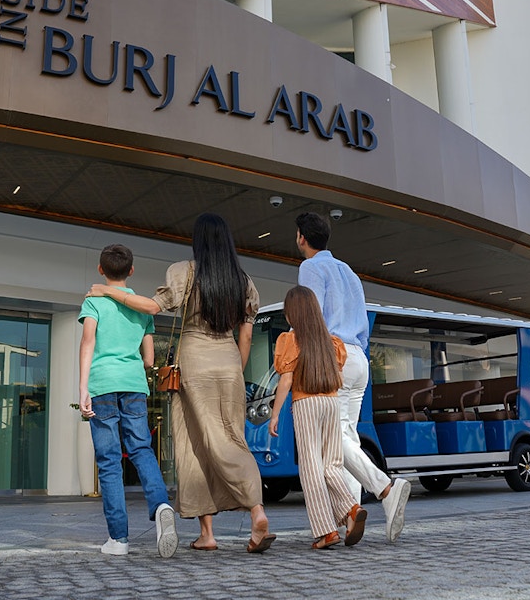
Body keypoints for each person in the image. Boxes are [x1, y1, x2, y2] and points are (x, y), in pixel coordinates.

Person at [88, 213, 275, 553]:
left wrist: (107, 291)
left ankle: (211, 532)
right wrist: (235, 369)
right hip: (229, 361)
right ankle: (254, 512)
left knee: (194, 442)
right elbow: (246, 336)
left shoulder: (184, 272)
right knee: (233, 439)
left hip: (195, 360)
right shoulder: (243, 281)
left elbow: (152, 307)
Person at [295, 211, 411, 543]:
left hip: (333, 355)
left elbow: (310, 316)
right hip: (358, 356)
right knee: (347, 436)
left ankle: (385, 488)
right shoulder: (349, 271)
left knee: (334, 438)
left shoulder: (310, 267)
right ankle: (351, 515)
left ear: (301, 237)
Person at [78, 244, 179, 558]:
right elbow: (148, 358)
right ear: (131, 271)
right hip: (134, 385)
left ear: (100, 269)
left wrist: (82, 388)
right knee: (141, 449)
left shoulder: (94, 300)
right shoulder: (141, 305)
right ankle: (160, 504)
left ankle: (118, 539)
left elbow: (88, 342)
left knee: (109, 462)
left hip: (102, 384)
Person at [268, 285, 367, 549]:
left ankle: (326, 531)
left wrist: (275, 414)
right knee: (332, 464)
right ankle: (352, 508)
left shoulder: (290, 340)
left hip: (306, 403)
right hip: (332, 402)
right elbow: (338, 375)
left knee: (311, 467)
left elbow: (286, 380)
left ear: (292, 313)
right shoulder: (331, 342)